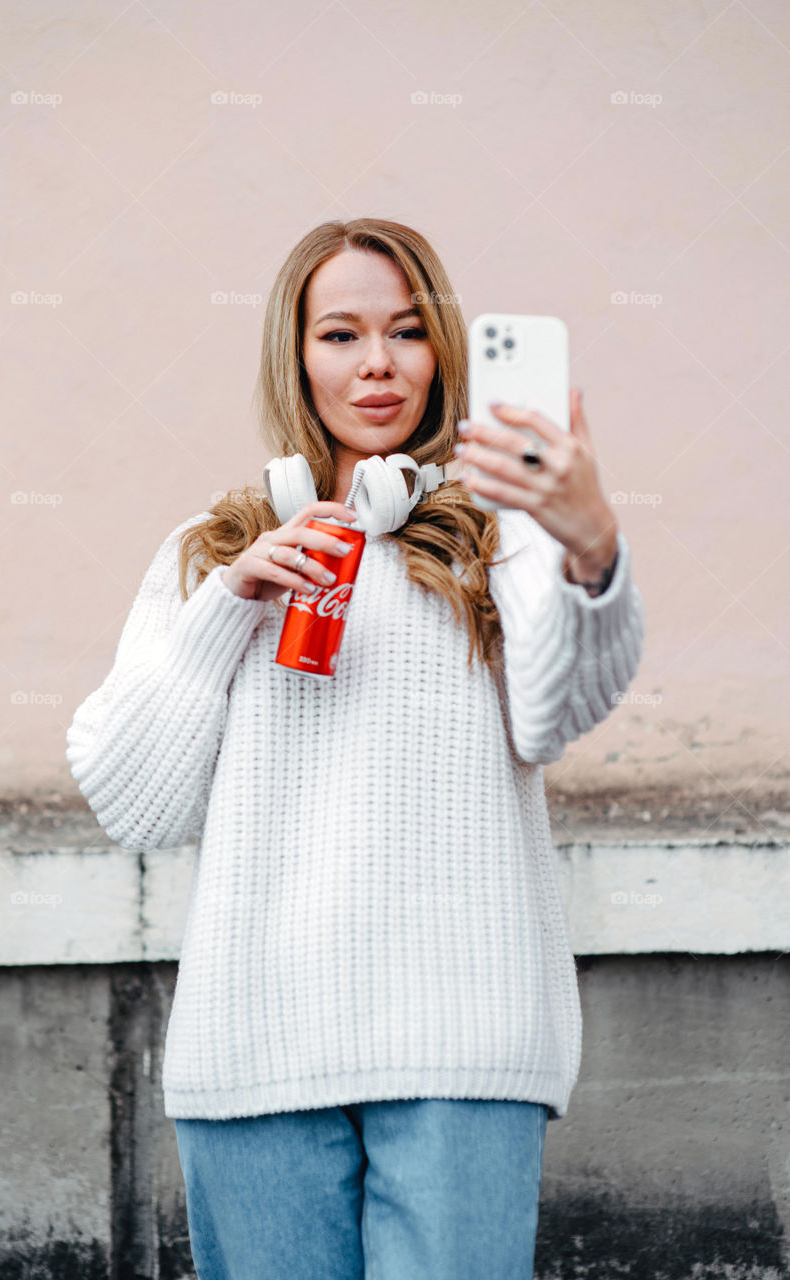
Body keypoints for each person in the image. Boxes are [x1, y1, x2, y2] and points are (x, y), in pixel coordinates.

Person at [66, 217, 645, 1279]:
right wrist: (229, 606)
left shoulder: (500, 534)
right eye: (340, 333)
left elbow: (553, 713)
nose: (377, 362)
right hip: (255, 1049)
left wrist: (589, 544)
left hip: (461, 1042)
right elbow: (132, 802)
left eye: (407, 331)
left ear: (444, 353)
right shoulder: (214, 549)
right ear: (295, 355)